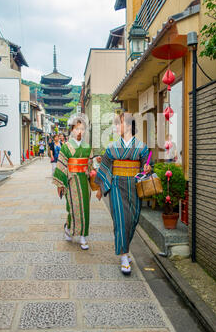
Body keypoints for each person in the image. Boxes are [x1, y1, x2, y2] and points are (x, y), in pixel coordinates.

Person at [95, 113, 151, 275]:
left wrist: (147, 168)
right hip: (117, 186)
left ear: (127, 126)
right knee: (121, 220)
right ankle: (124, 256)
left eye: (118, 124)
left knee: (133, 219)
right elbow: (105, 167)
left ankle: (125, 247)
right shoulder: (112, 148)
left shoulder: (142, 147)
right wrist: (100, 188)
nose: (116, 127)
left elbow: (147, 166)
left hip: (134, 186)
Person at [52, 117, 92, 250]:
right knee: (73, 207)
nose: (79, 132)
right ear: (72, 130)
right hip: (72, 180)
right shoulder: (66, 146)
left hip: (84, 181)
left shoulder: (87, 147)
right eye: (77, 129)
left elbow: (90, 164)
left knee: (84, 208)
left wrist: (93, 169)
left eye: (82, 129)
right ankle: (70, 229)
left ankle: (82, 235)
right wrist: (60, 185)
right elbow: (62, 165)